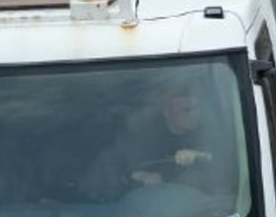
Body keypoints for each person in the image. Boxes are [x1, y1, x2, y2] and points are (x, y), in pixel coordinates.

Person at [80, 82, 219, 201]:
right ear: (167, 113)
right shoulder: (144, 140)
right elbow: (132, 174)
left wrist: (198, 156)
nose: (195, 114)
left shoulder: (208, 132)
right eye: (186, 110)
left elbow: (220, 163)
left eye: (197, 108)